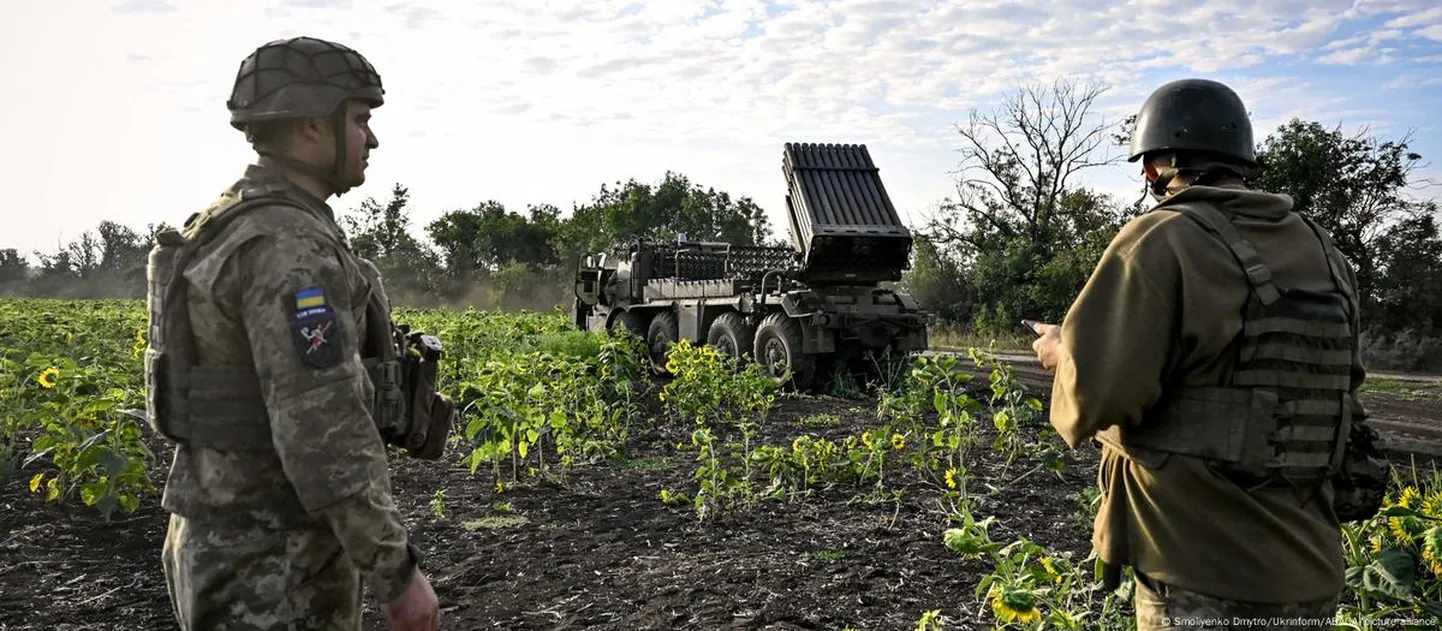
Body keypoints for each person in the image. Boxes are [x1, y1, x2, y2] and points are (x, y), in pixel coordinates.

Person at [1029, 78, 1384, 630]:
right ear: (1241, 158)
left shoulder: (1160, 239)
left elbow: (1093, 399)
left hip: (1198, 573)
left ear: (1152, 167)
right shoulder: (1323, 250)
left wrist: (1060, 351)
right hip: (1311, 572)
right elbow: (1338, 386)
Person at [142, 36, 453, 630]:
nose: (373, 138)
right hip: (273, 564)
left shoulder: (229, 222)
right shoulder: (288, 248)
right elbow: (322, 425)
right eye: (360, 119)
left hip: (228, 538)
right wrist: (395, 573)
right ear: (313, 125)